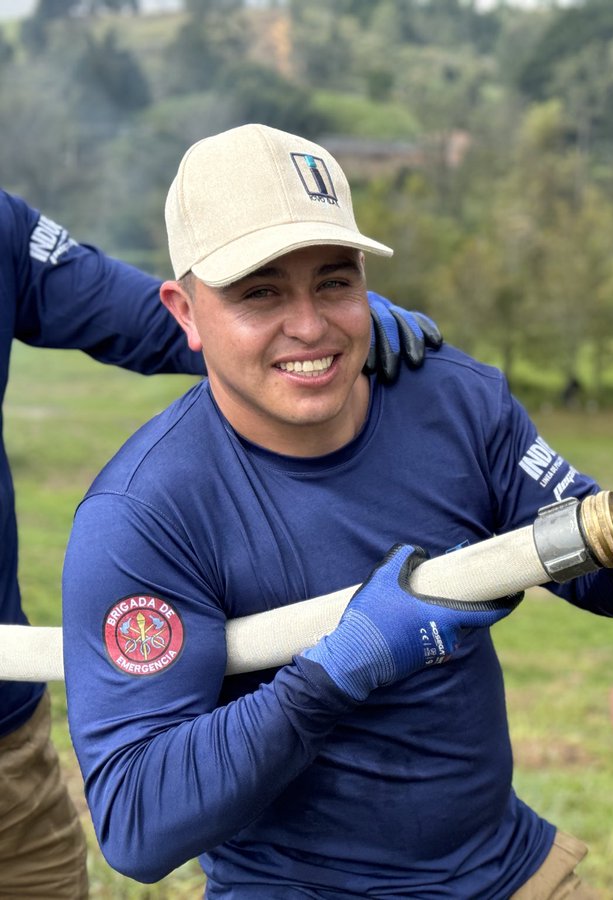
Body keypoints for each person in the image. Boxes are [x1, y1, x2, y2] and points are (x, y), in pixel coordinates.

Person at [60, 124, 613, 897]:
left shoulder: (454, 399)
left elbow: (592, 566)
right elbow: (137, 825)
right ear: (184, 312)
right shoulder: (144, 514)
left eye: (335, 282)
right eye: (261, 292)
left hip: (511, 876)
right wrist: (337, 671)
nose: (310, 326)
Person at [0, 187, 441, 899]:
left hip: (4, 746)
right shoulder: (134, 515)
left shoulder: (1, 226)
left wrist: (308, 329)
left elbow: (153, 317)